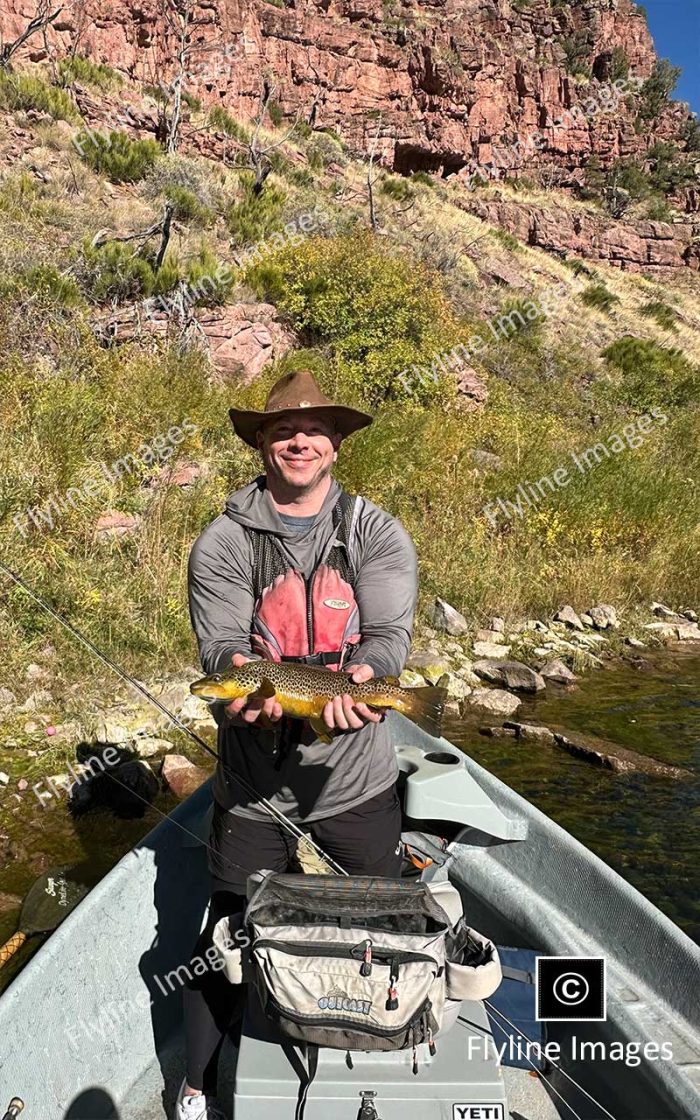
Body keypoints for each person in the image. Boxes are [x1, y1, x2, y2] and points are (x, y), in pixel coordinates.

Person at [176, 369, 418, 1120]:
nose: (299, 441)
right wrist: (236, 689)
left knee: (381, 921)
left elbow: (387, 636)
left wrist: (369, 677)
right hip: (251, 786)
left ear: (337, 445)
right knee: (226, 940)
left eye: (315, 430)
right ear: (261, 443)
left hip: (356, 778)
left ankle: (378, 1049)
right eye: (283, 430)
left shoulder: (375, 532)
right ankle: (194, 1085)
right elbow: (220, 650)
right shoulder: (221, 542)